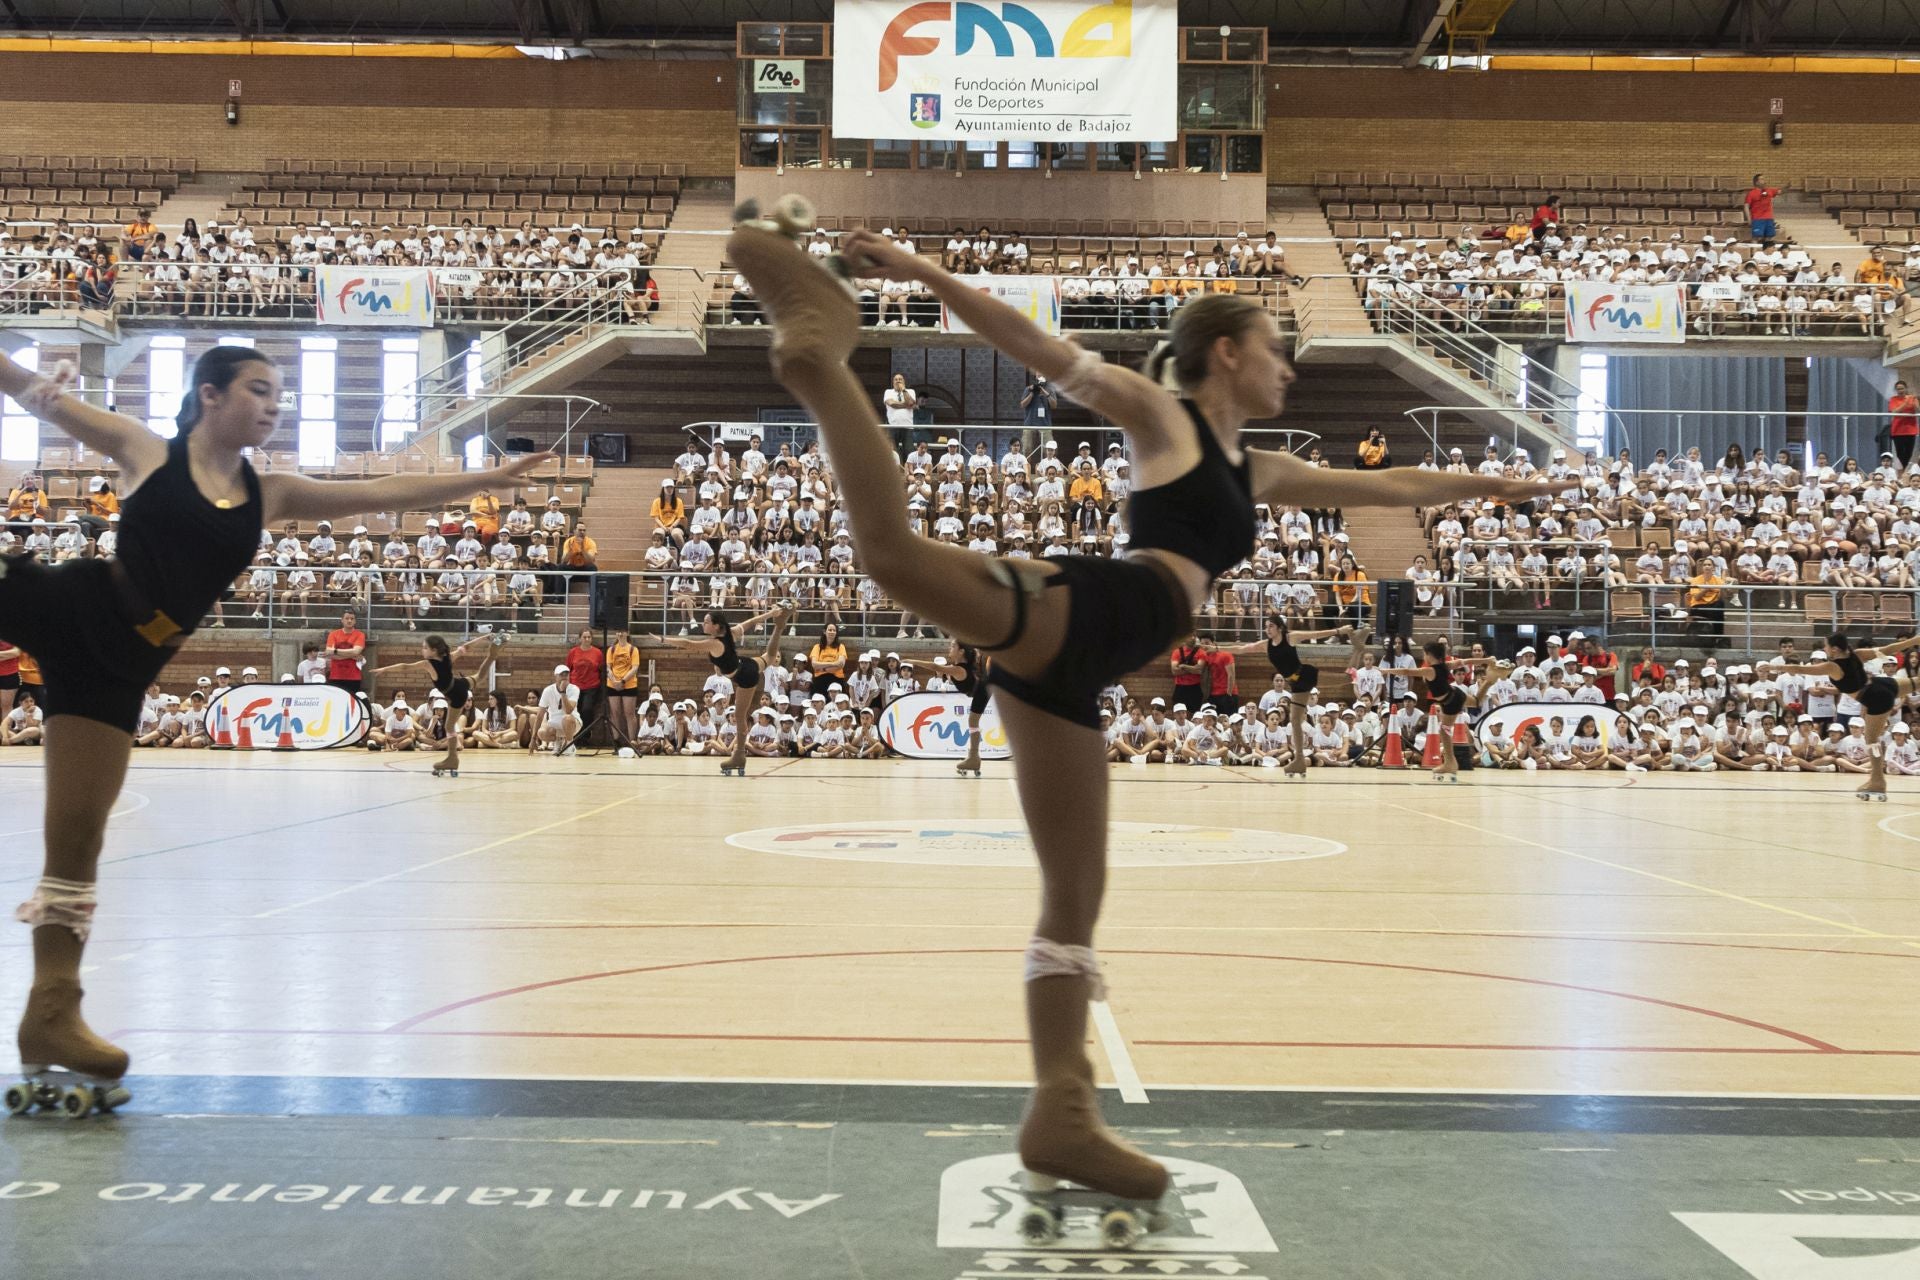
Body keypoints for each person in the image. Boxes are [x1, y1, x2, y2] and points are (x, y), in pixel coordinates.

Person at [725, 209, 1549, 1217]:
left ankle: (1058, 1110)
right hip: (1106, 607)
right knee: (893, 557)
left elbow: (1391, 480)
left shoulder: (1262, 468)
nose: (1290, 371)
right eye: (1278, 353)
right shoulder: (1166, 418)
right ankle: (818, 357)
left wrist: (1490, 482)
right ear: (1228, 352)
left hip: (1080, 670)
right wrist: (917, 268)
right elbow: (1031, 342)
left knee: (1073, 899)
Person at [0, 343, 551, 1109]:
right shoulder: (143, 450)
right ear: (210, 394)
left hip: (121, 666)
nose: (273, 404)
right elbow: (34, 389)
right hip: (77, 605)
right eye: (259, 390)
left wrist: (483, 480)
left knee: (78, 840)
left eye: (279, 395)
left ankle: (50, 1017)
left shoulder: (273, 493)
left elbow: (384, 490)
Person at [1774, 633, 1920, 799]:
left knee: (1872, 742)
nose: (1824, 649)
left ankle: (1878, 780)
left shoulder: (1833, 667)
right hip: (1884, 684)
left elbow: (1800, 669)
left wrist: (1775, 668)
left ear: (1834, 649)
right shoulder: (1857, 653)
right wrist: (1915, 640)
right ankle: (1876, 779)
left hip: (1875, 698)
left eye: (1826, 646)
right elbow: (1888, 649)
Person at [1222, 618, 1357, 778]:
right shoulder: (1266, 645)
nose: (1268, 629)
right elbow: (1242, 648)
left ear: (1279, 627)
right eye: (1266, 627)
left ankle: (1359, 649)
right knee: (1294, 720)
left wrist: (1339, 631)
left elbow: (1317, 633)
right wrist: (1216, 648)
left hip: (1305, 675)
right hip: (1295, 684)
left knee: (1346, 678)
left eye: (1271, 626)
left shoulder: (1290, 637)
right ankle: (1299, 759)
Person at [665, 605, 790, 775]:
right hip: (746, 664)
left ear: (716, 625)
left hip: (745, 676)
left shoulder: (714, 643)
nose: (703, 624)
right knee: (768, 656)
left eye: (706, 621)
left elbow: (688, 643)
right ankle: (780, 625)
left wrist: (663, 640)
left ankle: (739, 755)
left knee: (739, 716)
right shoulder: (728, 634)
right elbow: (752, 621)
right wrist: (772, 614)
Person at [370, 632, 505, 776]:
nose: (422, 650)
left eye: (425, 648)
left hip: (456, 695)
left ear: (433, 650)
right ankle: (493, 653)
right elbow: (466, 648)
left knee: (449, 726)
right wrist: (484, 638)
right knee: (479, 677)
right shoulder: (447, 658)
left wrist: (385, 669)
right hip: (459, 684)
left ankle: (452, 758)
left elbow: (405, 667)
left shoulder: (428, 663)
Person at [1407, 638, 1498, 781]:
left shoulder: (1429, 670)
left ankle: (1450, 762)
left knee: (1444, 730)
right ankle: (1489, 682)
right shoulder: (1446, 665)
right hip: (1455, 694)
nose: (1424, 657)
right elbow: (1466, 661)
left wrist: (1386, 670)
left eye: (1424, 654)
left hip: (1451, 700)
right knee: (1475, 702)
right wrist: (1487, 659)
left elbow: (1407, 671)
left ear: (1430, 655)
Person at [949, 638, 993, 777]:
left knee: (973, 722)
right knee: (973, 722)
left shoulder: (984, 658)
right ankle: (973, 757)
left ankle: (974, 758)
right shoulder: (973, 659)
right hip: (984, 688)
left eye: (952, 646)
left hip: (985, 688)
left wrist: (914, 661)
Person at [564, 626, 604, 749]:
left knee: (587, 710)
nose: (587, 639)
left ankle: (585, 736)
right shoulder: (573, 652)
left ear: (591, 639)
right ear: (580, 638)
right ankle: (575, 738)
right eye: (584, 637)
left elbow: (601, 669)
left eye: (589, 637)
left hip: (591, 686)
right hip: (575, 686)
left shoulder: (597, 653)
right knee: (576, 711)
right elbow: (568, 669)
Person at [605, 627, 642, 751]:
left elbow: (634, 668)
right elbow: (608, 668)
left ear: (627, 633)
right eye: (618, 632)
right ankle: (616, 741)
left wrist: (623, 681)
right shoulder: (611, 649)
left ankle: (632, 740)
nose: (620, 634)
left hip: (629, 684)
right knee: (615, 713)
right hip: (613, 684)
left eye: (623, 631)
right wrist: (614, 681)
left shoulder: (633, 649)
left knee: (629, 713)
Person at [531, 665, 581, 755]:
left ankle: (569, 744)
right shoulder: (548, 690)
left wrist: (563, 692)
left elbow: (568, 711)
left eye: (566, 674)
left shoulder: (574, 689)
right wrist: (533, 739)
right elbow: (540, 715)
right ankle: (558, 740)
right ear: (556, 676)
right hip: (555, 725)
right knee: (542, 733)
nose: (564, 677)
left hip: (572, 723)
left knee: (567, 718)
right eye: (561, 675)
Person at [324, 607, 368, 697]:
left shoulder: (360, 635)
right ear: (342, 620)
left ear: (355, 621)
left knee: (353, 703)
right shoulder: (333, 634)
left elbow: (356, 651)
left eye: (352, 619)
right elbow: (328, 652)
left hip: (353, 677)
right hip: (336, 676)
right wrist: (351, 655)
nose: (349, 621)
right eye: (347, 618)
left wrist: (335, 651)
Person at [1743, 175, 1780, 246]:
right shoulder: (1751, 193)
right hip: (1757, 219)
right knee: (1756, 237)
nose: (1764, 181)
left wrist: (1788, 187)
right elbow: (1746, 206)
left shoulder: (1770, 190)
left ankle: (1766, 254)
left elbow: (1781, 191)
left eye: (1764, 179)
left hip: (1769, 218)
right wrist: (1749, 219)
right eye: (1762, 179)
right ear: (1756, 182)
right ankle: (1754, 254)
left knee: (1769, 237)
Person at [1890, 380, 1918, 470]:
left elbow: (1918, 410)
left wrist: (1915, 403)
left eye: (1902, 388)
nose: (1900, 390)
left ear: (1906, 388)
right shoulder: (1893, 399)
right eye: (1898, 389)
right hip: (1898, 430)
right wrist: (1905, 403)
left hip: (1911, 430)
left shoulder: (1912, 398)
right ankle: (1903, 471)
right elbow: (1894, 411)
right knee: (1900, 453)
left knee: (1909, 453)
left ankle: (1904, 471)